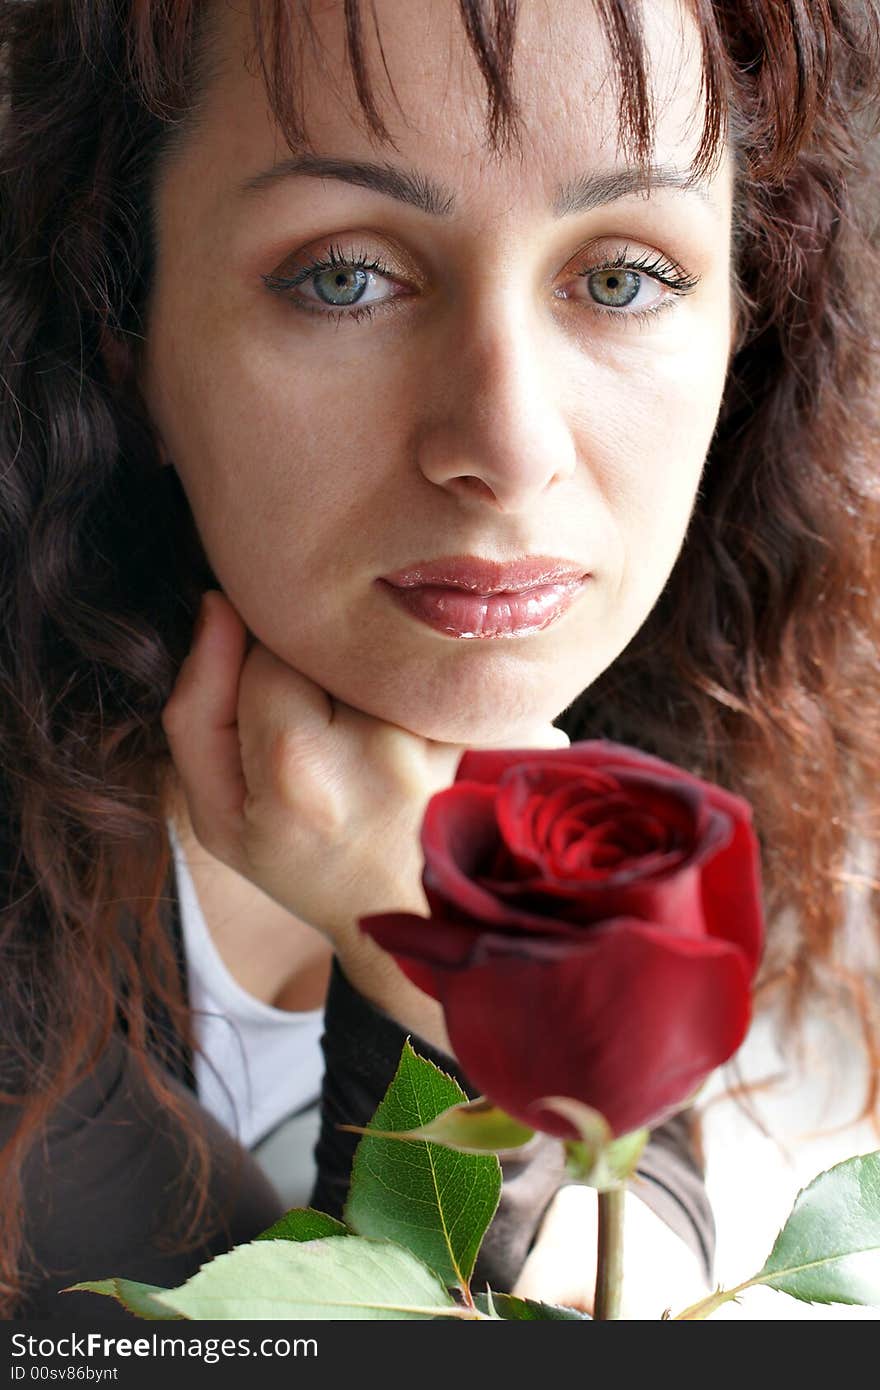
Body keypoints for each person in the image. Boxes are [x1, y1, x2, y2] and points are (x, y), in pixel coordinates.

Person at [1, 0, 878, 1324]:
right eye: (343, 274)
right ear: (128, 337)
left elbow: (644, 1248)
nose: (508, 444)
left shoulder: (638, 719)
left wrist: (429, 942)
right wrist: (434, 974)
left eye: (623, 275)